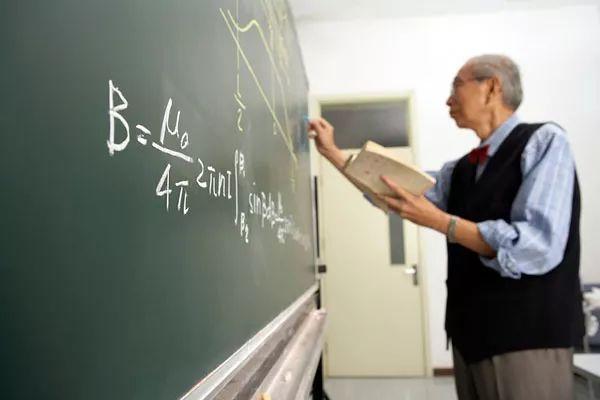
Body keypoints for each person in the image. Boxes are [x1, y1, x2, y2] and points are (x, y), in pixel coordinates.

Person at [309, 54, 583, 400]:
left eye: (457, 86)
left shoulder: (545, 141)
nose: (448, 100)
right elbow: (391, 187)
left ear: (492, 88)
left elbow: (537, 245)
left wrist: (440, 222)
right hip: (470, 339)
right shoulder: (461, 170)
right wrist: (332, 153)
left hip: (528, 339)